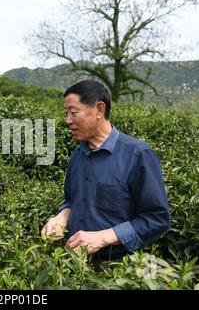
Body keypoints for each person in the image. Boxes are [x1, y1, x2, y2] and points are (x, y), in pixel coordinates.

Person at [41, 80, 170, 268]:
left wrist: (103, 237)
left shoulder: (138, 154)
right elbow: (72, 200)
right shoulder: (78, 155)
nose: (68, 120)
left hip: (119, 268)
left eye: (74, 112)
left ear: (99, 110)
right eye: (66, 114)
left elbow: (157, 218)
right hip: (75, 264)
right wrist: (61, 217)